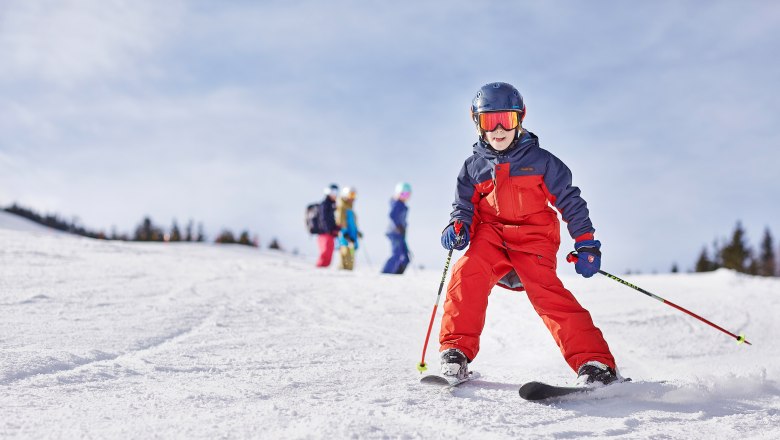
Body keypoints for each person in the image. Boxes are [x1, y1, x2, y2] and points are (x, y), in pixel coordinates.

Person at [438, 82, 618, 386]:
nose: (497, 130)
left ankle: (595, 363)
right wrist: (458, 226)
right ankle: (455, 351)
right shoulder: (473, 168)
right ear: (477, 123)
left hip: (534, 238)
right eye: (488, 121)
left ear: (519, 118)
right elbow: (463, 207)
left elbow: (569, 200)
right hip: (492, 236)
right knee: (466, 273)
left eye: (505, 120)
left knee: (547, 294)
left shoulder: (541, 161)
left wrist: (586, 242)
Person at [381, 182, 411, 274]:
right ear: (397, 193)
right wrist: (398, 226)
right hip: (394, 232)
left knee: (406, 256)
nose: (404, 196)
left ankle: (398, 273)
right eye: (402, 194)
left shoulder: (402, 205)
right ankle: (385, 272)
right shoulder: (397, 203)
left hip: (400, 233)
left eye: (407, 194)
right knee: (397, 254)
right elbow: (392, 215)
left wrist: (403, 228)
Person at [315, 184, 340, 267]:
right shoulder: (325, 204)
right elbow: (323, 219)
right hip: (324, 233)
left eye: (336, 192)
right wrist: (329, 229)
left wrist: (336, 228)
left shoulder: (332, 205)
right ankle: (319, 268)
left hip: (330, 234)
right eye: (333, 192)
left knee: (330, 252)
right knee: (325, 252)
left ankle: (324, 270)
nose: (335, 194)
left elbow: (331, 220)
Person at [336, 186, 361, 270]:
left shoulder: (351, 210)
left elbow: (353, 224)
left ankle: (349, 273)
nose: (353, 198)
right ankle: (342, 272)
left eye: (354, 195)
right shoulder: (342, 208)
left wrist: (357, 232)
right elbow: (340, 221)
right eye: (351, 195)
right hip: (345, 238)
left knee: (351, 258)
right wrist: (344, 233)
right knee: (345, 256)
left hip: (352, 239)